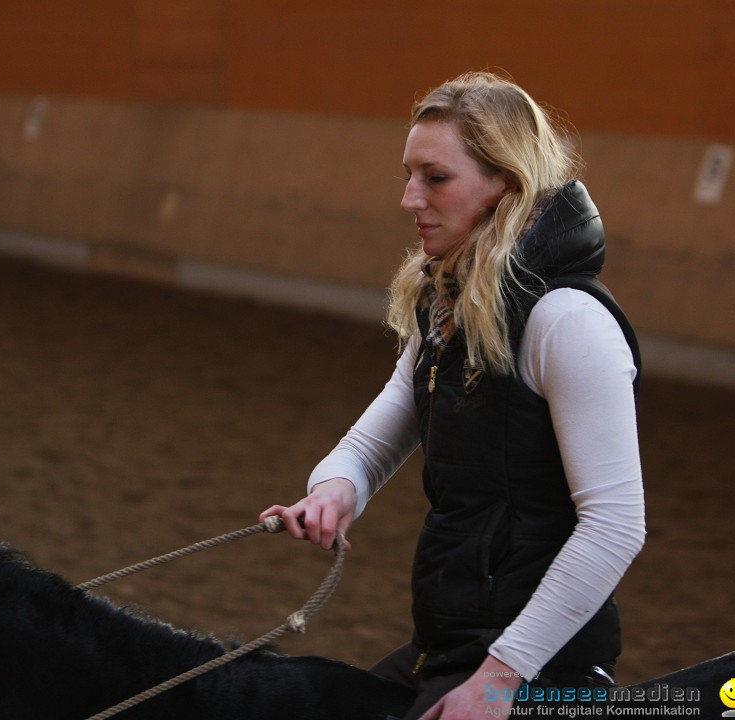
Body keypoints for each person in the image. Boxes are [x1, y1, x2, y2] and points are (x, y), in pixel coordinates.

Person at [261, 70, 645, 720]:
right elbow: (377, 436)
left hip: (541, 669)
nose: (411, 198)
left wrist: (502, 676)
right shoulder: (449, 304)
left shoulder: (567, 322)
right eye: (409, 175)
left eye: (435, 178)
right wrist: (334, 490)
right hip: (447, 645)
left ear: (506, 183)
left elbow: (615, 527)